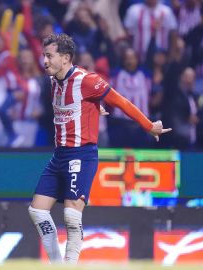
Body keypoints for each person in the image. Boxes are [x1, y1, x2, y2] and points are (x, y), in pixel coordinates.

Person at [28, 33, 171, 264]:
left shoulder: (87, 80)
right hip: (59, 156)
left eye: (49, 56)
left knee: (71, 217)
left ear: (65, 58)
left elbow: (121, 101)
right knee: (37, 211)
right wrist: (93, 109)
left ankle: (69, 265)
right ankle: (56, 265)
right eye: (44, 55)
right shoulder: (54, 81)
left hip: (81, 154)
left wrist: (149, 126)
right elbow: (74, 108)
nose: (44, 61)